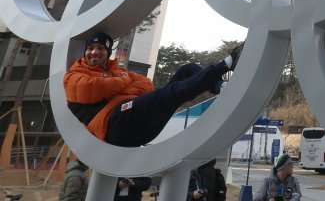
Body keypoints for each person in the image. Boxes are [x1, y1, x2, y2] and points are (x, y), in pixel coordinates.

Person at [63, 31, 243, 147]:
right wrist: (123, 83)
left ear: (108, 52)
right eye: (91, 48)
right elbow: (93, 88)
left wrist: (119, 84)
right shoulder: (74, 74)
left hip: (144, 126)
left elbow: (146, 85)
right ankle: (225, 65)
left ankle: (221, 87)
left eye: (100, 48)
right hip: (114, 126)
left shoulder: (117, 71)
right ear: (85, 52)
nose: (94, 52)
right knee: (169, 93)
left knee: (187, 70)